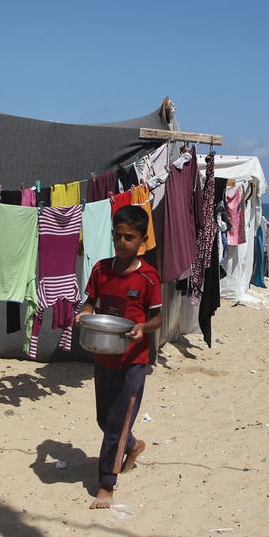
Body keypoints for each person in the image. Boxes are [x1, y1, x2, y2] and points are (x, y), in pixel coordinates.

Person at [75, 205, 162, 509]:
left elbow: (157, 319)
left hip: (134, 361)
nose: (122, 242)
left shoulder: (149, 277)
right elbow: (89, 303)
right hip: (105, 356)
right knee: (104, 418)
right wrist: (84, 314)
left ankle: (106, 485)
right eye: (118, 236)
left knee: (116, 424)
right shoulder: (101, 269)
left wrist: (142, 328)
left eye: (129, 237)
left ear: (143, 240)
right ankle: (134, 445)